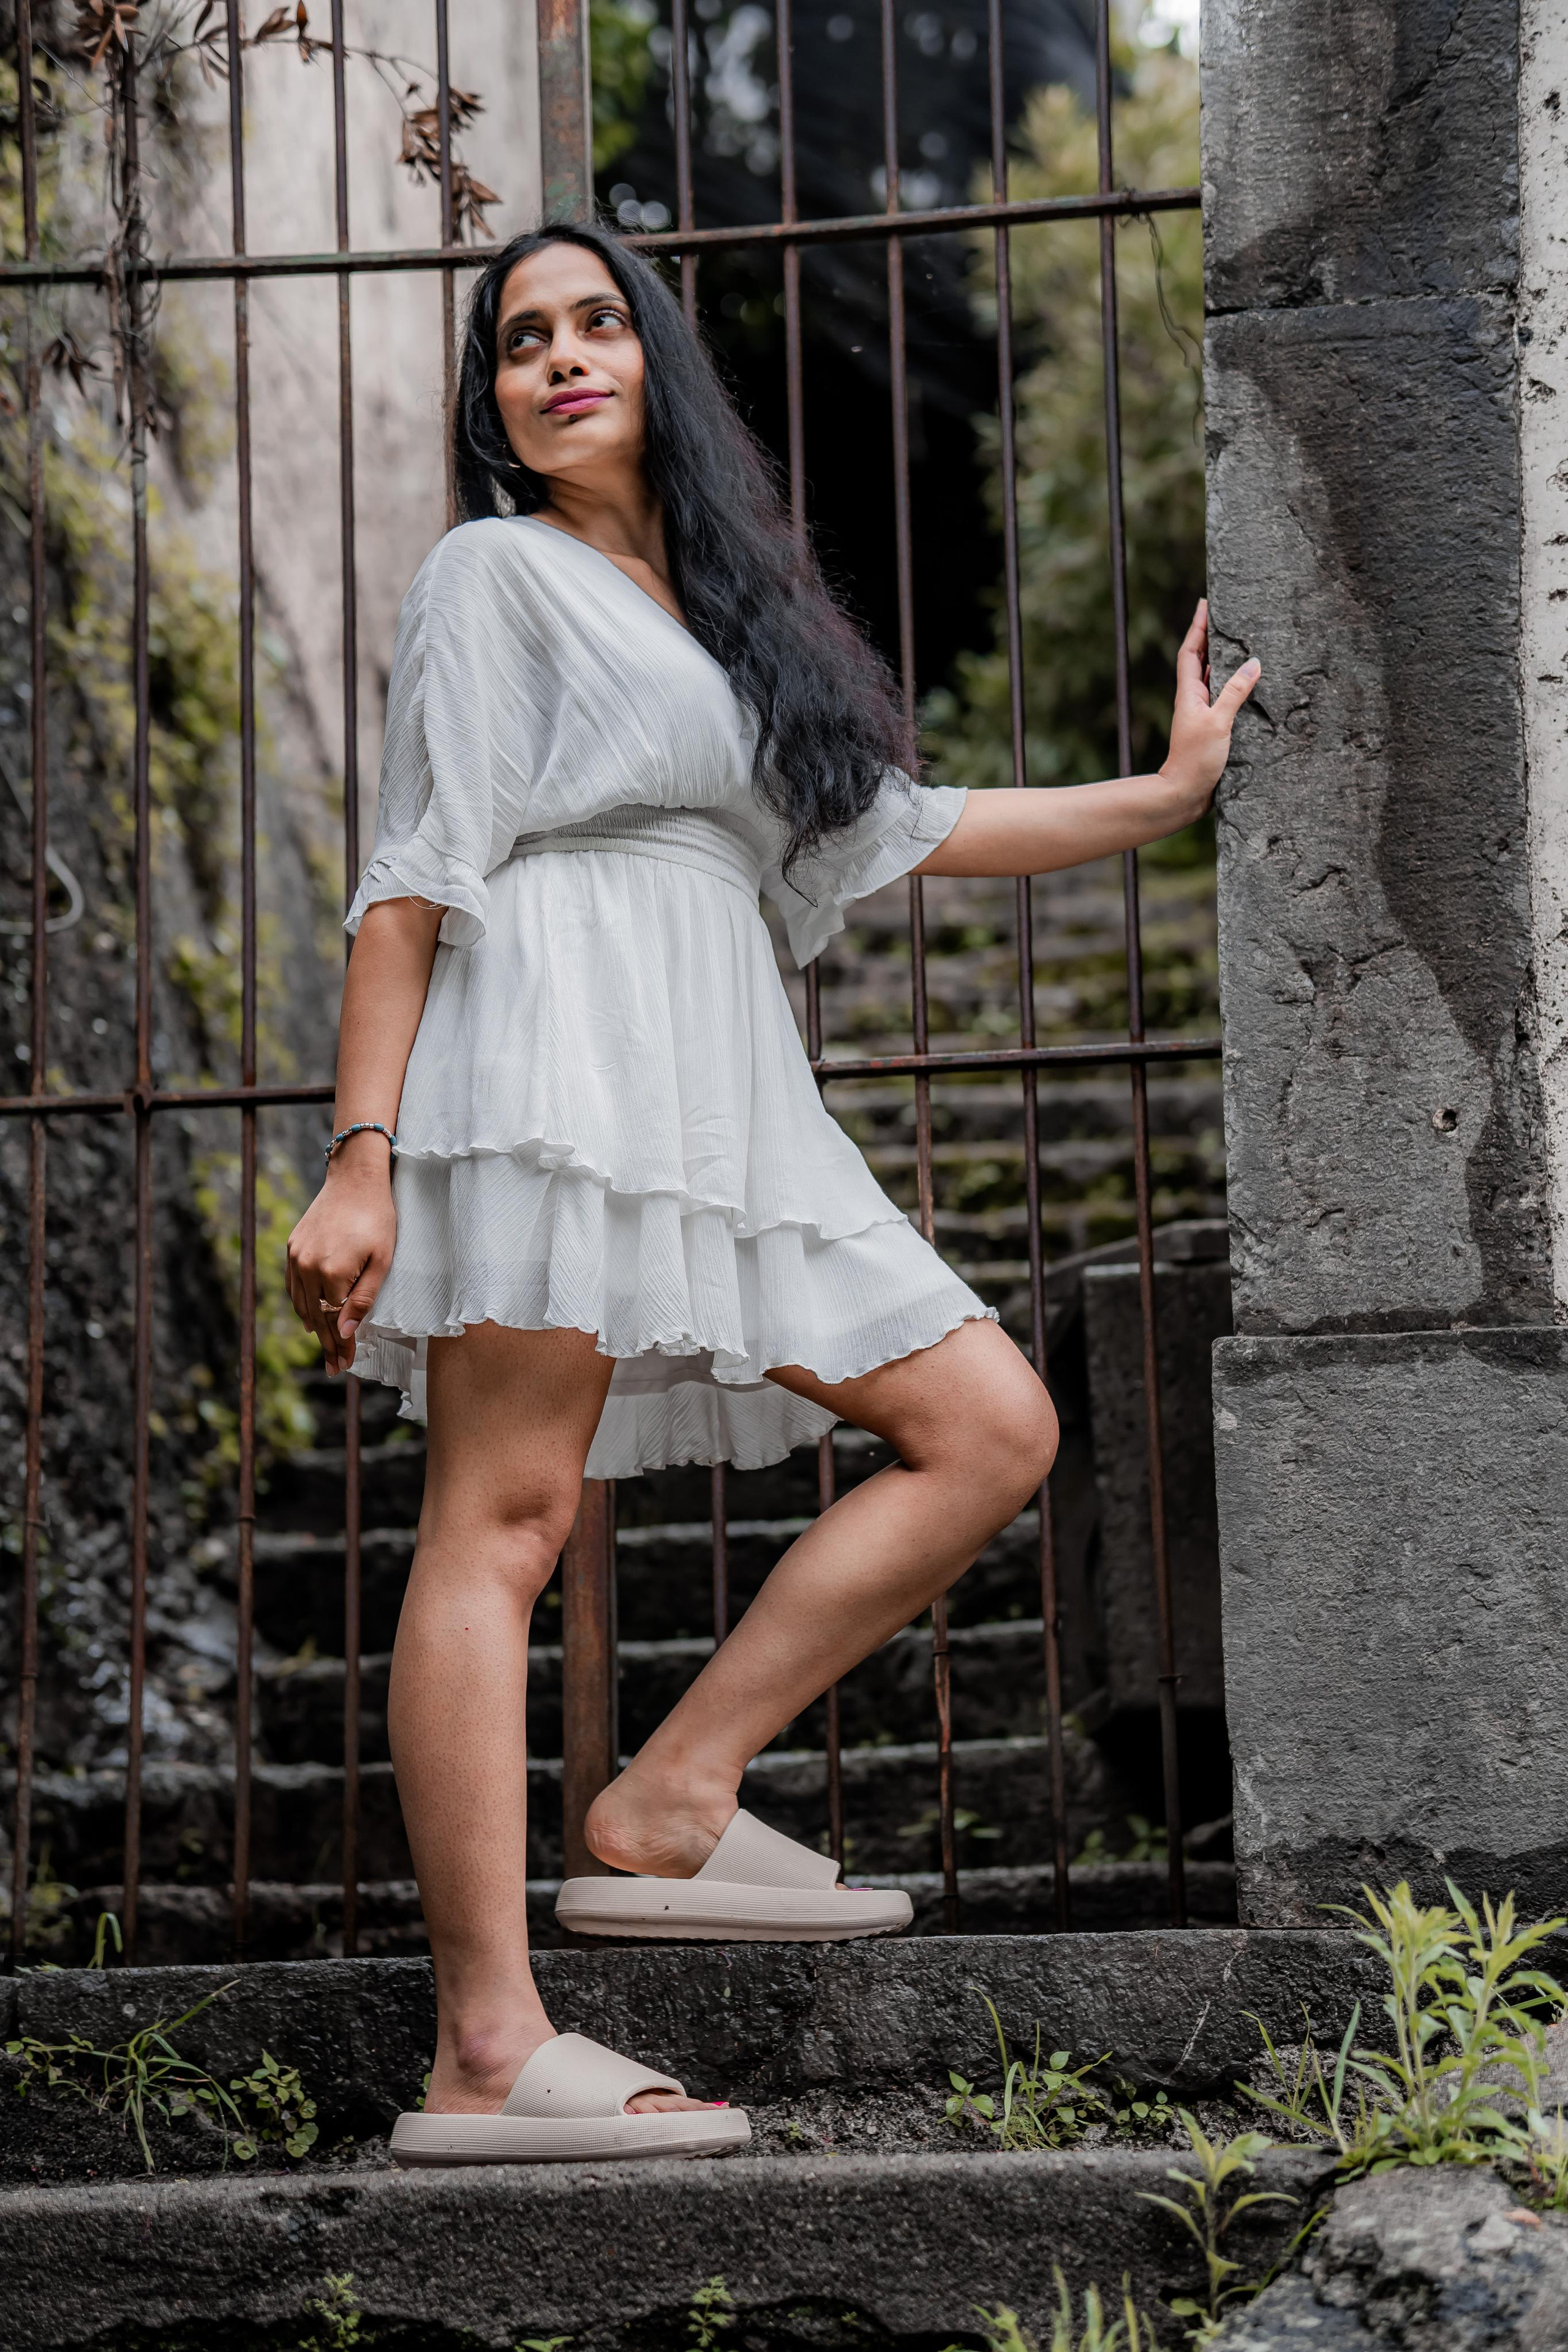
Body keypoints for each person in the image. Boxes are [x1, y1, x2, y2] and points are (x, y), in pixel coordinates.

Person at [284, 222, 1259, 2169]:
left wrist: (1160, 795)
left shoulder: (735, 613)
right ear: (495, 399)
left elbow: (905, 823)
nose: (556, 360)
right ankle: (487, 2043)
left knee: (988, 1422)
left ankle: (673, 1792)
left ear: (656, 359)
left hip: (725, 1087)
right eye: (517, 343)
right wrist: (361, 1149)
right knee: (506, 1514)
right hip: (549, 1054)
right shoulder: (497, 576)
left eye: (591, 325)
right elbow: (419, 872)